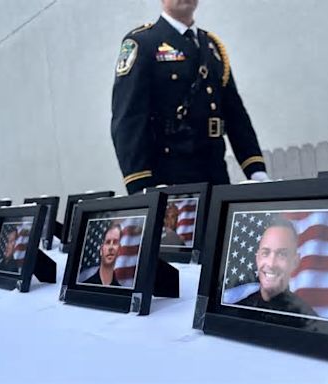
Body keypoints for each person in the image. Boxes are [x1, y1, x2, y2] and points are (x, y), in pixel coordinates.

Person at [111, 0, 270, 194]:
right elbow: (129, 118)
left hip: (216, 173)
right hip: (169, 179)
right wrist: (141, 184)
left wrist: (255, 169)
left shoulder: (211, 46)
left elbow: (235, 114)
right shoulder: (144, 42)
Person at [237, 216, 317, 318]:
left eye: (282, 254)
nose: (271, 264)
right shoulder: (237, 310)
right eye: (265, 253)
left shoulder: (308, 320)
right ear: (257, 258)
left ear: (295, 262)